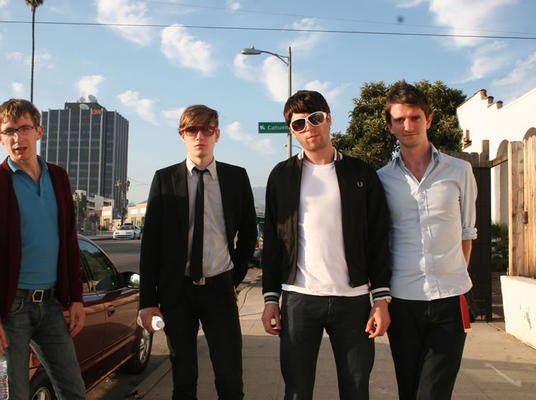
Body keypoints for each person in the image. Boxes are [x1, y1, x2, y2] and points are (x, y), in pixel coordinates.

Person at [261, 90, 392, 400]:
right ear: (292, 131)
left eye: (315, 119)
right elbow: (273, 242)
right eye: (299, 124)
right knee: (297, 390)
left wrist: (381, 299)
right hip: (299, 300)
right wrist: (270, 299)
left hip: (353, 301)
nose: (309, 128)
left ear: (329, 119)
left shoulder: (361, 173)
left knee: (356, 389)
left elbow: (378, 237)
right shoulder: (281, 176)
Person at [138, 104, 257, 399]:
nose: (199, 136)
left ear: (217, 134)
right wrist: (147, 301)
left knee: (230, 379)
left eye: (207, 129)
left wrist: (235, 276)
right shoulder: (165, 179)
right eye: (192, 130)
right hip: (177, 292)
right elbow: (151, 243)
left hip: (220, 290)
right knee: (183, 380)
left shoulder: (236, 177)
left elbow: (248, 232)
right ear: (182, 135)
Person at [0, 99, 86, 399]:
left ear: (39, 132)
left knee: (74, 391)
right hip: (12, 310)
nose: (17, 138)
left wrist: (76, 298)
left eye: (24, 129)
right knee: (13, 396)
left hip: (51, 305)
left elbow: (69, 241)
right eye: (9, 131)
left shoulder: (58, 178)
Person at [377, 81, 477, 400]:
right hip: (403, 300)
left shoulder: (460, 171)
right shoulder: (382, 179)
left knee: (434, 391)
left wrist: (456, 276)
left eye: (415, 117)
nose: (408, 126)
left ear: (428, 120)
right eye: (400, 119)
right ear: (390, 126)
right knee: (409, 389)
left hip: (450, 299)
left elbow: (467, 231)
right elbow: (380, 240)